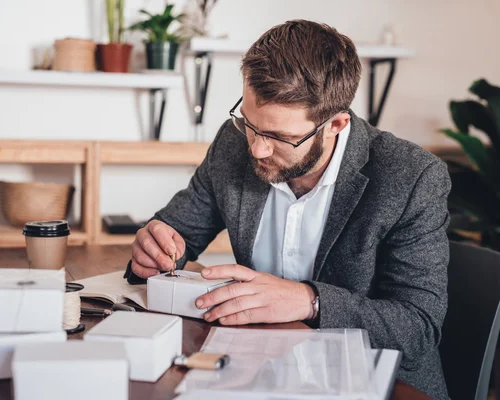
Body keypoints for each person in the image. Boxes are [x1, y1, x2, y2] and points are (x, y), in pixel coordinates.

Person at [124, 19, 450, 399]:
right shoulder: (234, 143)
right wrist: (156, 247)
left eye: (280, 137)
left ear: (337, 124)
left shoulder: (412, 177)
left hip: (375, 382)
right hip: (258, 372)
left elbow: (418, 324)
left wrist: (309, 301)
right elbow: (177, 232)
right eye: (250, 122)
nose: (257, 149)